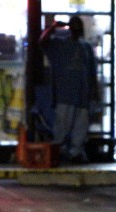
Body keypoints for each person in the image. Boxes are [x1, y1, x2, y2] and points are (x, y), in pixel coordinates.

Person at [39, 16, 98, 164]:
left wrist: (93, 92)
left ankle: (75, 153)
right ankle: (58, 151)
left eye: (79, 26)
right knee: (62, 126)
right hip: (65, 94)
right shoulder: (60, 45)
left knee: (80, 126)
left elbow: (92, 71)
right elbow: (42, 42)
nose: (78, 29)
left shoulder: (86, 47)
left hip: (81, 94)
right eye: (75, 26)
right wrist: (53, 27)